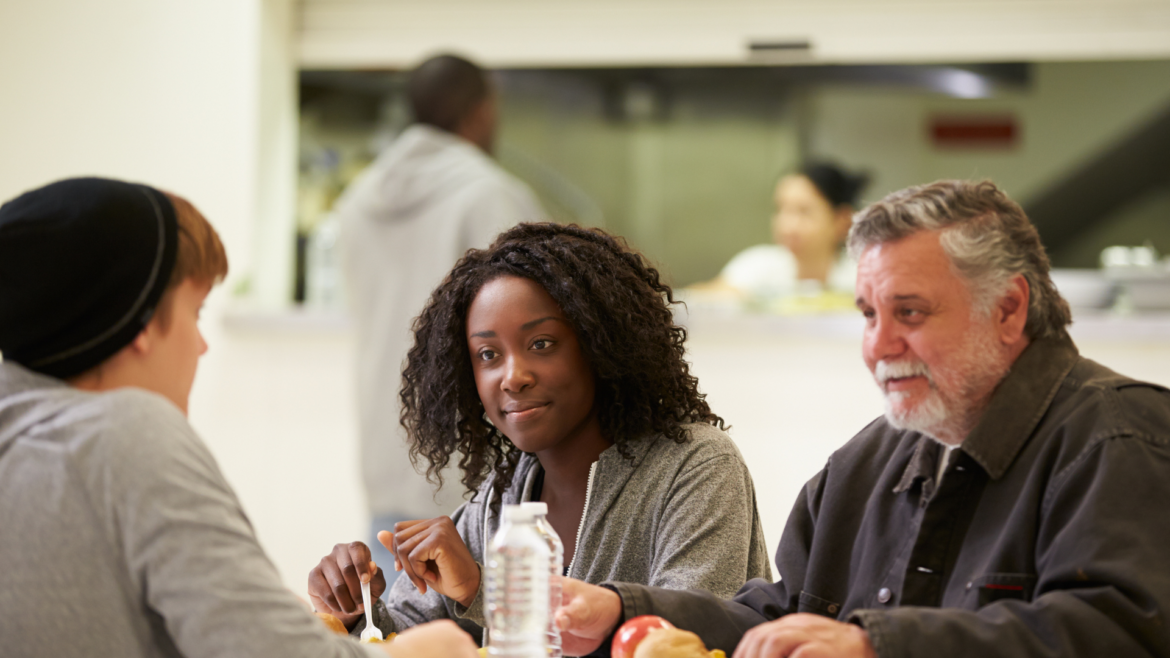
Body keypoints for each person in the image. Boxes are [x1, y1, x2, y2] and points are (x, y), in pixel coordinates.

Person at [554, 180, 1170, 658]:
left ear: (1008, 310)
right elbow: (776, 618)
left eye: (910, 312)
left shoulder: (1119, 436)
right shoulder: (867, 460)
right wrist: (621, 607)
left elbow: (1115, 634)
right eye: (869, 315)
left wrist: (877, 644)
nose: (878, 346)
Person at [0, 177, 477, 658]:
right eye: (196, 311)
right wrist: (422, 652)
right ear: (140, 323)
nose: (202, 345)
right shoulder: (125, 435)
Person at [307, 223, 772, 642]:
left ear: (600, 345)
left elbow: (684, 642)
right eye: (488, 355)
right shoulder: (501, 499)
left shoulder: (695, 467)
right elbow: (409, 640)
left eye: (541, 344)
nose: (513, 376)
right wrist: (356, 613)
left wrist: (482, 588)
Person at [334, 53, 546, 579]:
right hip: (471, 473)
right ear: (480, 112)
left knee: (393, 635)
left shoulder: (357, 201)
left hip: (387, 454)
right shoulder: (491, 195)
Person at [695, 163, 868, 302]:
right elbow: (701, 299)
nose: (787, 225)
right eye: (780, 209)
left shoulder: (863, 277)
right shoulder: (758, 265)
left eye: (804, 211)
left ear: (841, 220)